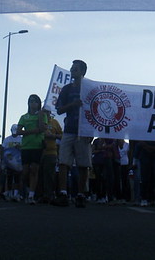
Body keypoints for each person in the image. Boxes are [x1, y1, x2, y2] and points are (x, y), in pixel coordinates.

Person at [51, 60, 92, 208]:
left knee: (83, 164)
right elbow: (59, 109)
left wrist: (91, 131)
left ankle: (81, 194)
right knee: (63, 162)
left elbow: (95, 110)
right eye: (72, 68)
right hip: (69, 129)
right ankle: (63, 193)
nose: (72, 71)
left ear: (82, 71)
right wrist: (72, 105)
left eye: (75, 69)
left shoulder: (90, 89)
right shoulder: (67, 89)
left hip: (84, 131)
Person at [16, 94, 45, 204]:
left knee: (34, 170)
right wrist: (33, 131)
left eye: (35, 101)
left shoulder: (42, 115)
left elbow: (42, 129)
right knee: (25, 171)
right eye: (31, 101)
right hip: (26, 146)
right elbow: (18, 131)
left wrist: (41, 117)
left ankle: (31, 194)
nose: (33, 103)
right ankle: (20, 192)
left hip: (37, 146)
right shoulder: (24, 117)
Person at [39, 107, 62, 203]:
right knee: (39, 174)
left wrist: (53, 136)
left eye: (47, 112)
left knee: (49, 174)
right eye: (43, 112)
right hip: (39, 151)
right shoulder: (38, 122)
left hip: (51, 152)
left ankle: (49, 195)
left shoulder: (55, 122)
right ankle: (39, 195)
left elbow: (61, 135)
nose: (45, 114)